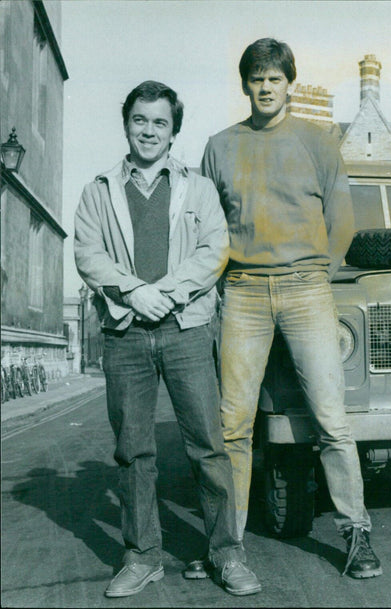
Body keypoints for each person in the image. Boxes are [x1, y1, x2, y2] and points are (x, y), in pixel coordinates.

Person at [201, 38, 382, 578]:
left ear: (290, 84)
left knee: (332, 420)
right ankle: (226, 544)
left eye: (275, 78)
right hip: (245, 293)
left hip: (306, 289)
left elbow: (342, 222)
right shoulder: (219, 146)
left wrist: (316, 277)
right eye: (256, 78)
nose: (265, 87)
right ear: (245, 85)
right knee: (233, 426)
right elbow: (207, 228)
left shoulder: (318, 141)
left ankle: (357, 534)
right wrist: (220, 284)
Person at [73, 81, 261, 597]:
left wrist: (166, 293)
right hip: (126, 336)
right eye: (140, 120)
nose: (149, 130)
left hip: (187, 330)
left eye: (159, 122)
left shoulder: (197, 188)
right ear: (127, 124)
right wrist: (134, 294)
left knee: (208, 445)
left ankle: (227, 553)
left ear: (173, 130)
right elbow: (89, 255)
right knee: (134, 451)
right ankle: (142, 556)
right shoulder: (99, 189)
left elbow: (214, 249)